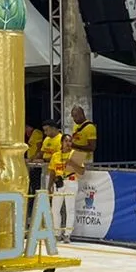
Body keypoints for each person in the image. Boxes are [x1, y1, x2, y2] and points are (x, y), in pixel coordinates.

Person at [50, 104, 96, 243]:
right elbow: (52, 171)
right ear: (62, 142)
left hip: (71, 181)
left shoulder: (76, 154)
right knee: (55, 209)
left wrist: (73, 164)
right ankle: (57, 232)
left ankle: (67, 234)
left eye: (70, 141)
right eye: (66, 141)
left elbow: (81, 171)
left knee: (70, 209)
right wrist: (49, 185)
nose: (69, 143)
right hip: (58, 183)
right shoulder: (56, 155)